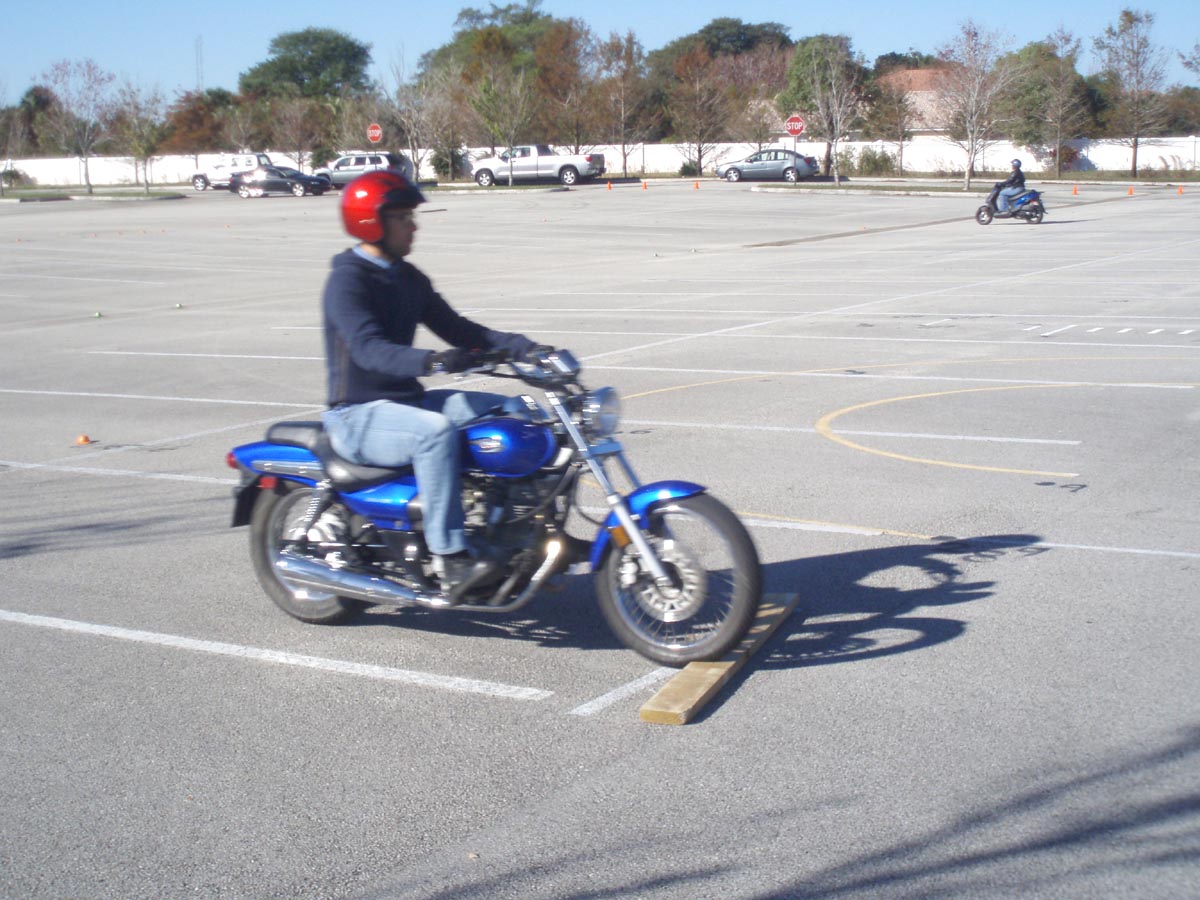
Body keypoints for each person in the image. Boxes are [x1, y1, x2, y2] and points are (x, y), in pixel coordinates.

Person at [321, 170, 540, 591]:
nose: (413, 226)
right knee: (434, 433)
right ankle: (450, 558)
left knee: (514, 411)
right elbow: (368, 349)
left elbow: (459, 329)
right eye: (402, 217)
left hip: (405, 404)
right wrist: (434, 362)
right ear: (371, 222)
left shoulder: (408, 278)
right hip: (356, 415)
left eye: (411, 216)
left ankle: (511, 528)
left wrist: (524, 348)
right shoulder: (348, 281)